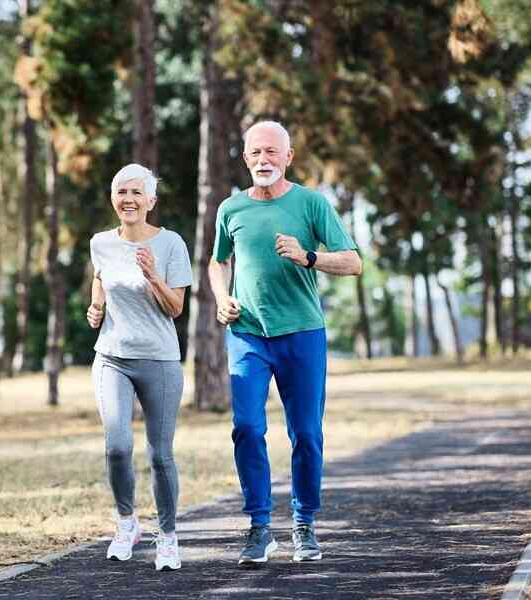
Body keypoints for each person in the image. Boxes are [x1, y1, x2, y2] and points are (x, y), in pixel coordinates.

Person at [208, 121, 362, 567]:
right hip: (248, 335)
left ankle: (304, 523)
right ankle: (259, 527)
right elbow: (218, 262)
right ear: (245, 158)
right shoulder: (231, 208)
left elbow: (353, 263)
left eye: (272, 152)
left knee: (307, 434)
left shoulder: (311, 203)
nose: (264, 160)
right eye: (256, 152)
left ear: (289, 157)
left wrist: (308, 257)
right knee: (247, 427)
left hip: (302, 334)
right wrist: (221, 297)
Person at [87, 163, 193, 571]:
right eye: (121, 192)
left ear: (151, 200)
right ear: (113, 198)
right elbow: (101, 278)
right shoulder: (101, 242)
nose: (128, 199)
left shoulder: (170, 243)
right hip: (112, 357)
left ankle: (167, 536)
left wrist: (152, 276)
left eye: (136, 192)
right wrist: (96, 306)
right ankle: (127, 522)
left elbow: (176, 307)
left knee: (160, 455)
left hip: (160, 359)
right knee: (117, 446)